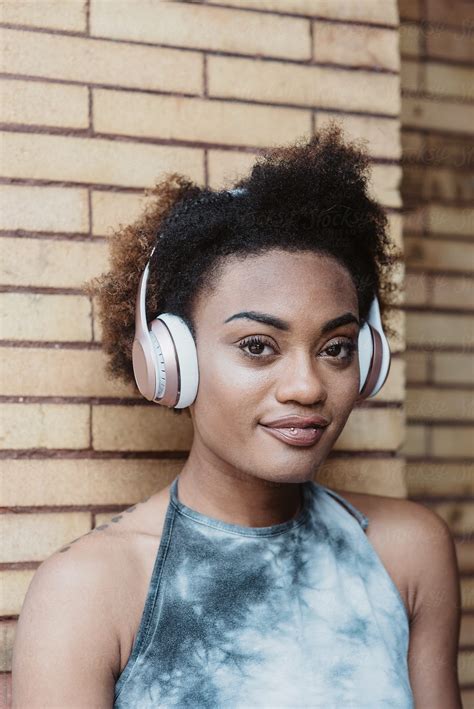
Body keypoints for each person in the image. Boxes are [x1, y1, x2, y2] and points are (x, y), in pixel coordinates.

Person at [12, 123, 462, 708]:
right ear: (170, 362)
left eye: (336, 349)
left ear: (369, 360)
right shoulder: (88, 589)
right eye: (257, 346)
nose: (306, 387)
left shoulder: (409, 551)